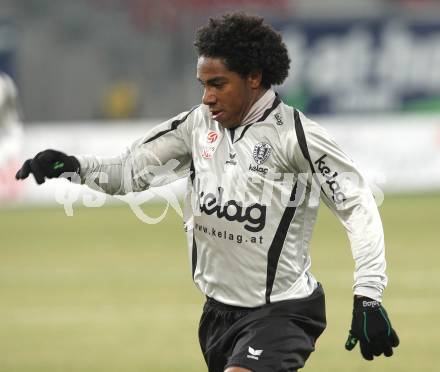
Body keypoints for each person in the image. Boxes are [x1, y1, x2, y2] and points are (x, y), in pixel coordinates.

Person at [15, 13, 399, 372]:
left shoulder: (296, 137)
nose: (207, 97)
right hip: (216, 315)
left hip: (282, 312)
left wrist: (368, 293)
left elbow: (356, 204)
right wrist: (73, 166)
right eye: (204, 85)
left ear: (253, 77)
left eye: (218, 84)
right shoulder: (195, 127)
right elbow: (130, 172)